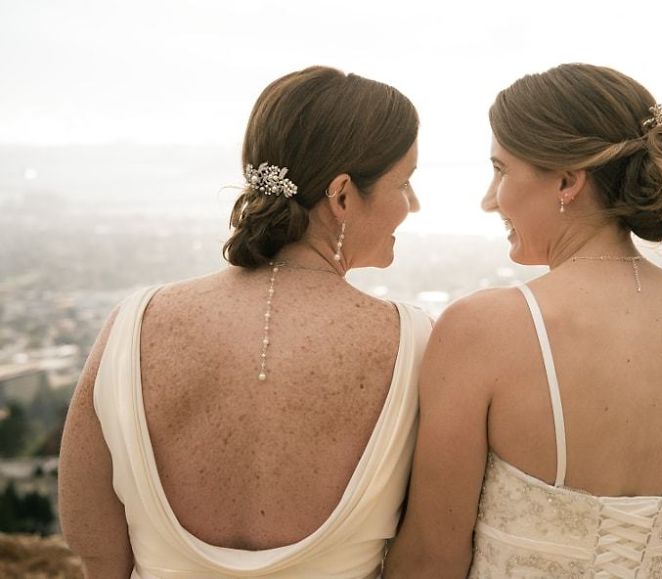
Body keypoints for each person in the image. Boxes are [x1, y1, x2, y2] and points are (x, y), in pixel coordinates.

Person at [385, 63, 662, 578]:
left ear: (568, 181)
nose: (486, 199)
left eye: (501, 170)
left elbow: (432, 558)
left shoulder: (486, 329)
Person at [59, 66, 429, 579]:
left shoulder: (133, 326)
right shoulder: (414, 342)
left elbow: (93, 540)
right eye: (405, 182)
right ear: (342, 195)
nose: (413, 204)